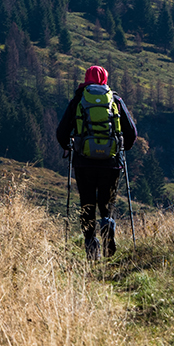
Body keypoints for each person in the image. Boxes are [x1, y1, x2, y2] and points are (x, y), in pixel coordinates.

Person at [56, 65, 138, 260]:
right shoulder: (115, 100)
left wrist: (69, 145)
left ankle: (91, 247)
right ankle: (108, 231)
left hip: (84, 162)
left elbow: (61, 132)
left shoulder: (78, 99)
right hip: (111, 163)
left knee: (87, 204)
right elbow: (132, 134)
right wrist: (120, 148)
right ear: (105, 79)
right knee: (106, 203)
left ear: (86, 78)